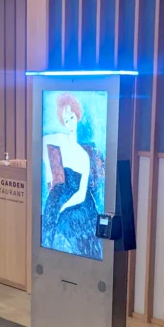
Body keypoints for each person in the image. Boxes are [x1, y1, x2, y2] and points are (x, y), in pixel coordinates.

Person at [41, 93, 103, 260]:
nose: (69, 122)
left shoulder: (84, 155)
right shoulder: (59, 139)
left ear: (77, 115)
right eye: (65, 119)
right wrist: (49, 173)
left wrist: (64, 208)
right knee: (53, 221)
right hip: (60, 194)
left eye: (71, 116)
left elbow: (82, 194)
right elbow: (39, 142)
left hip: (79, 201)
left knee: (68, 224)